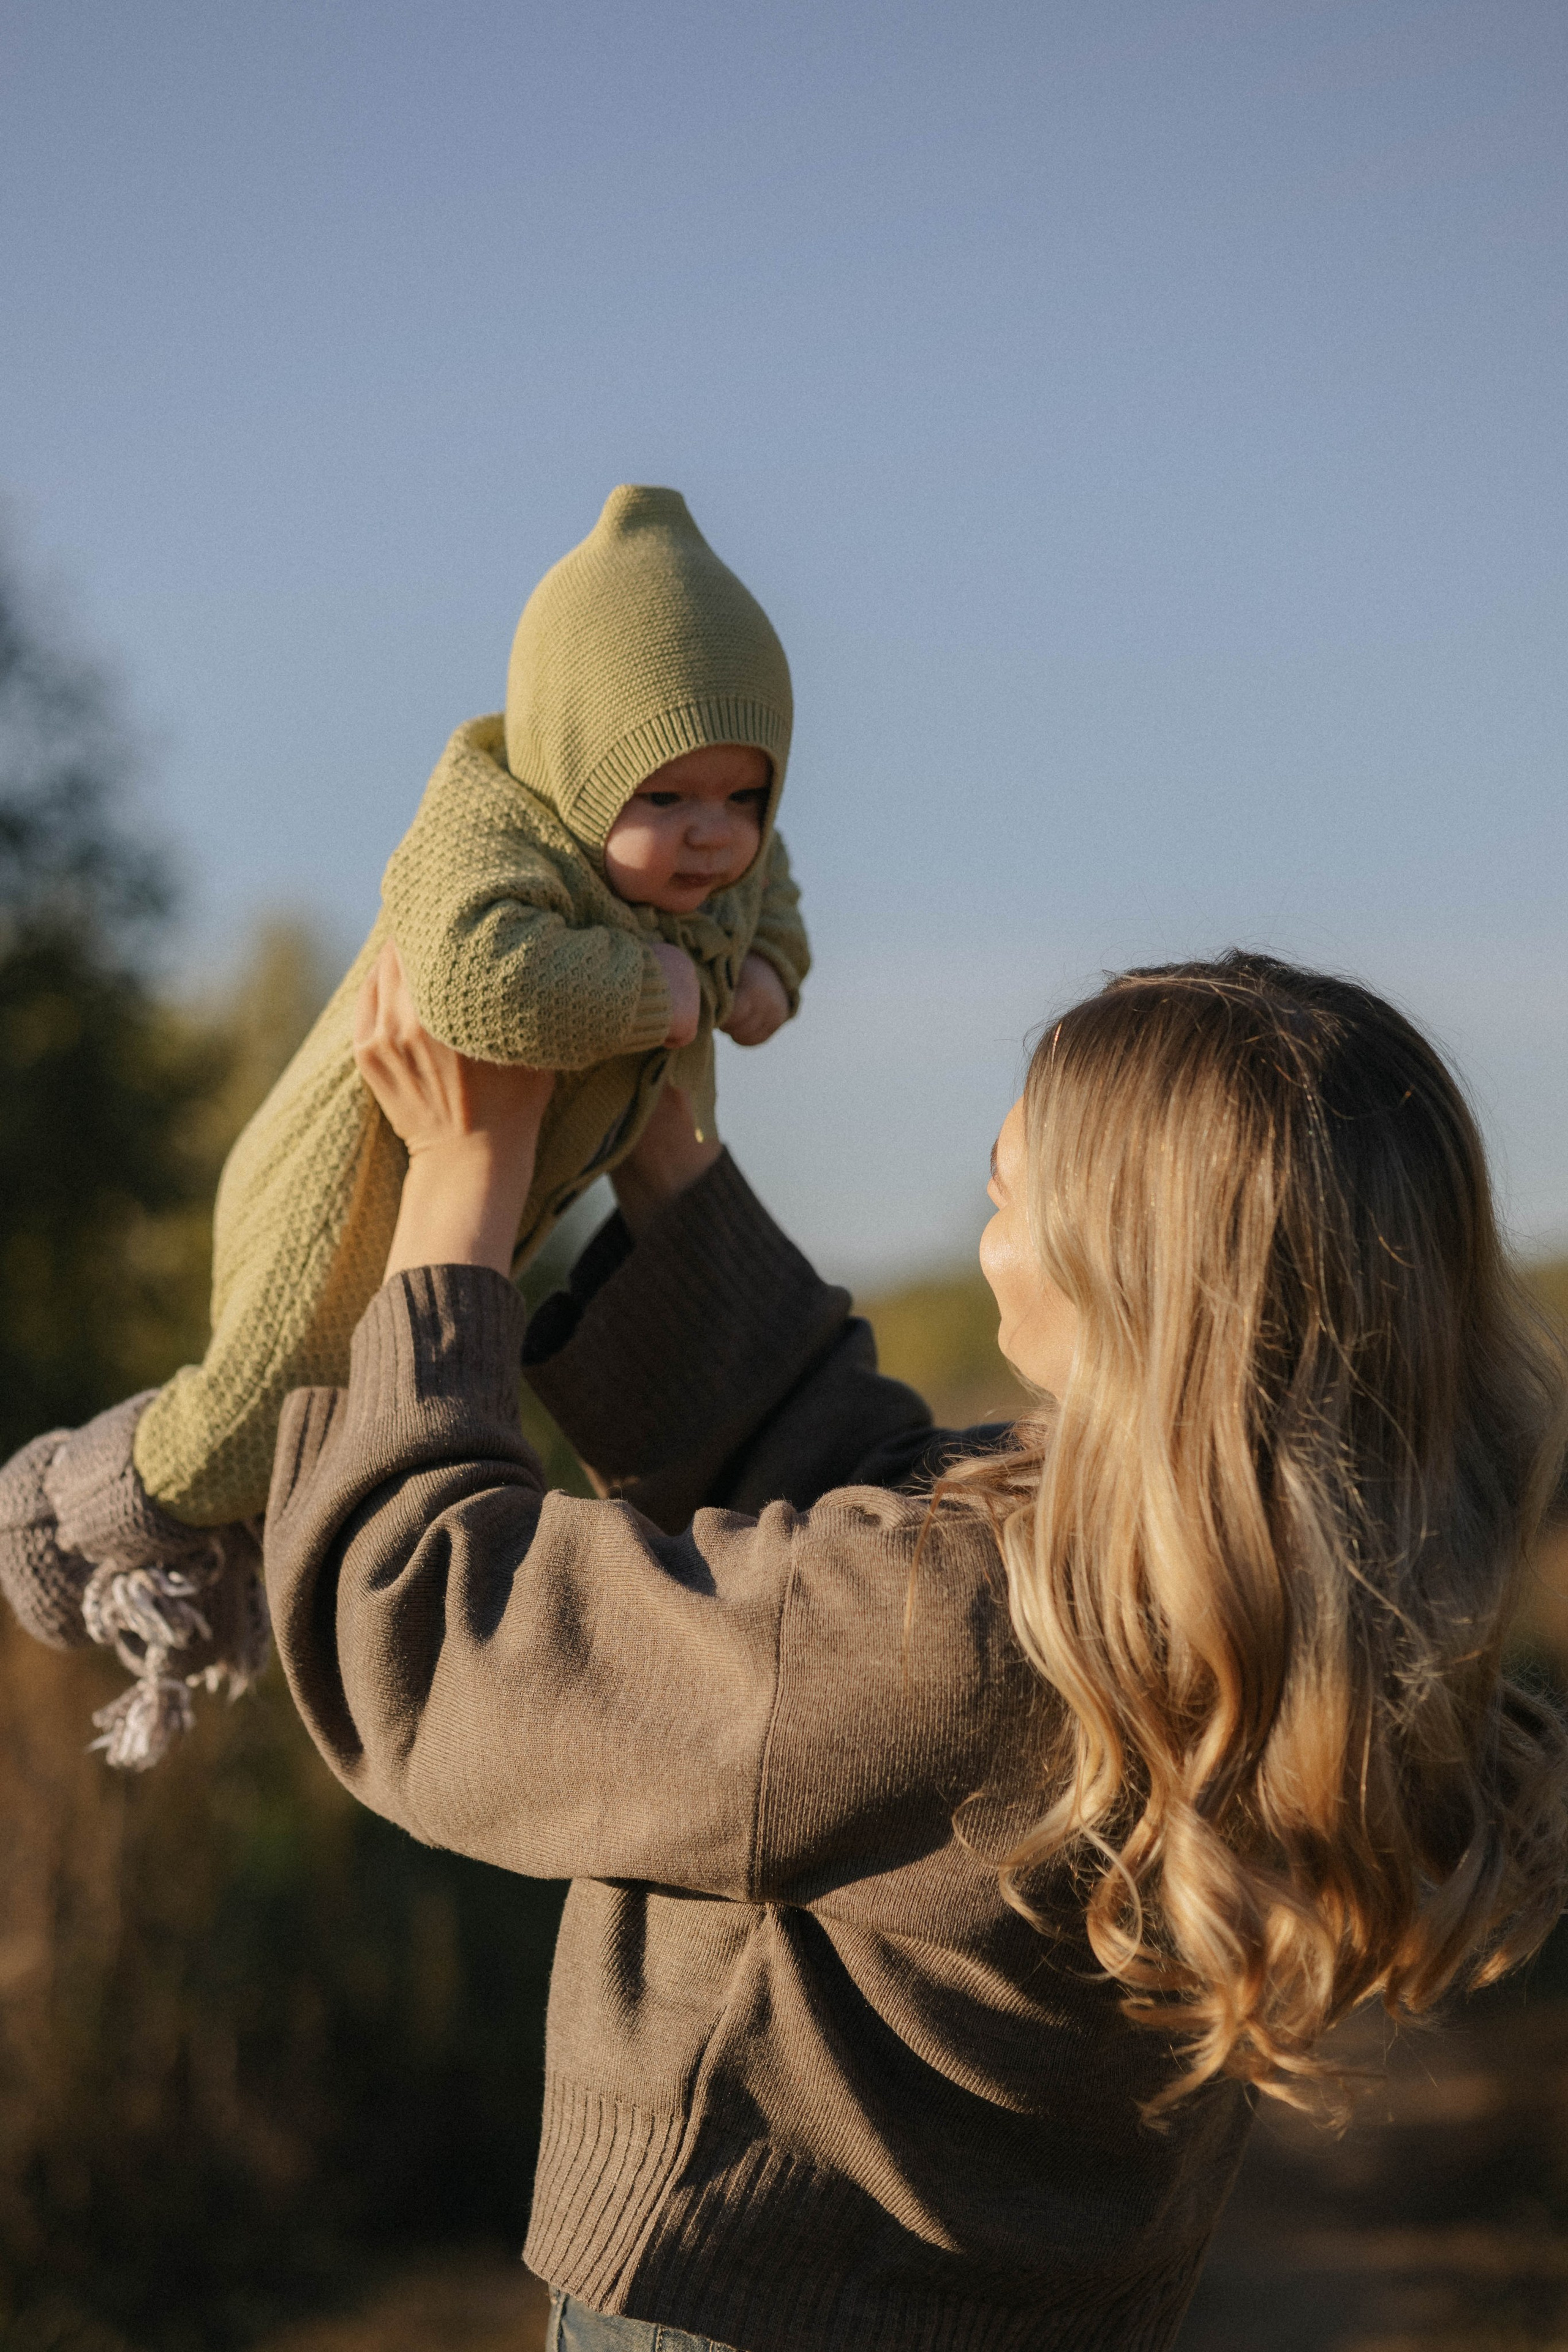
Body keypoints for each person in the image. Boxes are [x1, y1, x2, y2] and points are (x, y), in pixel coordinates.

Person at [271, 947, 1568, 2350]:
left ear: (1127, 1274)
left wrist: (457, 1199)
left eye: (1009, 1199)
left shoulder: (945, 1630)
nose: (982, 1229)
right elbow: (872, 1472)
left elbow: (438, 1626)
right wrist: (654, 1137)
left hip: (742, 2312)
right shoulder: (1275, 1585)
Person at [0, 484, 809, 1766]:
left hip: (494, 1184)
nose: (714, 838)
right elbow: (479, 982)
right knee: (280, 1383)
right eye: (666, 801)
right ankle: (82, 1512)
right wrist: (651, 989)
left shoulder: (723, 858)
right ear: (571, 760)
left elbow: (769, 916)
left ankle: (233, 1568)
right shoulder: (484, 829)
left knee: (348, 1420)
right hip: (350, 1167)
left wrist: (762, 978)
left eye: (744, 798)